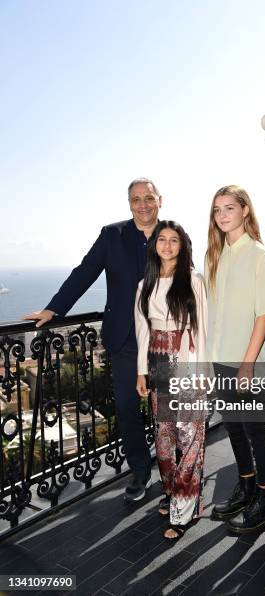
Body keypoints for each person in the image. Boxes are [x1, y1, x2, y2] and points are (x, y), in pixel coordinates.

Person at [23, 178, 162, 502]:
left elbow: (186, 279)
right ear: (129, 203)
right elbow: (85, 272)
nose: (142, 204)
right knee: (128, 407)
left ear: (160, 200)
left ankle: (173, 471)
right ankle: (140, 472)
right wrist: (54, 308)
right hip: (125, 339)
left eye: (148, 198)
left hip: (162, 337)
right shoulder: (112, 235)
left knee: (166, 408)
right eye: (135, 199)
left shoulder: (172, 234)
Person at [205, 185, 265, 533]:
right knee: (234, 428)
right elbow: (212, 312)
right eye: (217, 209)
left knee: (255, 430)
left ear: (245, 210)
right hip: (220, 359)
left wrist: (249, 363)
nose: (222, 215)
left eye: (229, 208)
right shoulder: (215, 256)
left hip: (247, 362)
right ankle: (247, 486)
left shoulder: (258, 253)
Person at [135, 220, 207, 540]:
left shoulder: (193, 280)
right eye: (161, 239)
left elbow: (202, 328)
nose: (166, 245)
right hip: (158, 360)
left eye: (173, 240)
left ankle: (184, 508)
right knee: (164, 436)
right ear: (154, 246)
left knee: (189, 434)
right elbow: (142, 332)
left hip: (185, 358)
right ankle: (171, 491)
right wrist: (141, 371)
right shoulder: (144, 285)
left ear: (182, 245)